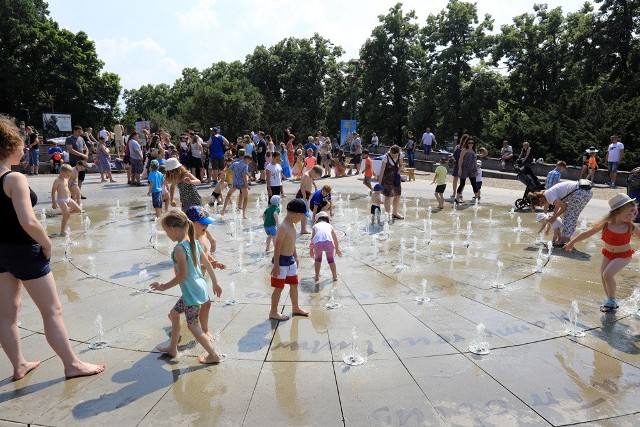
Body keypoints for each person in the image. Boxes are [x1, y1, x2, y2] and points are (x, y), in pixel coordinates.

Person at [0, 115, 105, 380]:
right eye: (22, 144)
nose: (25, 149)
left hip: (0, 251)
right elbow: (28, 220)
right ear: (9, 146)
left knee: (7, 314)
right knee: (52, 310)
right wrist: (45, 242)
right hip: (24, 250)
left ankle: (19, 365)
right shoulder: (14, 179)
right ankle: (72, 364)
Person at [149, 211, 222, 363]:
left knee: (193, 325)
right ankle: (173, 348)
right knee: (174, 314)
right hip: (198, 288)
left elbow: (182, 275)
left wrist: (163, 286)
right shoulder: (194, 242)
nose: (166, 235)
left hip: (191, 293)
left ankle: (213, 354)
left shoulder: (180, 249)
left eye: (165, 231)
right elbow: (208, 264)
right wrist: (215, 282)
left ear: (173, 228)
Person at [564, 194, 640, 312]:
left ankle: (612, 300)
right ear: (617, 212)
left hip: (623, 255)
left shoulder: (630, 226)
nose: (632, 216)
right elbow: (588, 233)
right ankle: (610, 301)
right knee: (604, 277)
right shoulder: (606, 224)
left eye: (634, 212)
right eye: (629, 213)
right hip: (608, 254)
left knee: (607, 275)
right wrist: (572, 242)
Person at [269, 198, 310, 320]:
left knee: (294, 284)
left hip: (290, 260)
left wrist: (296, 256)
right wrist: (276, 265)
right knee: (279, 287)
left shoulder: (292, 225)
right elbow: (277, 247)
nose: (303, 218)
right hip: (280, 261)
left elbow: (292, 243)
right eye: (303, 216)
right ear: (298, 214)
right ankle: (273, 312)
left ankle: (295, 307)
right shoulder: (283, 227)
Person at [529, 180, 593, 246]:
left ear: (540, 197)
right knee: (572, 215)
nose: (542, 205)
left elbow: (564, 207)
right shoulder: (548, 193)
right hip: (587, 192)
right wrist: (555, 216)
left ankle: (564, 240)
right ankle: (566, 239)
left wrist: (554, 217)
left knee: (569, 215)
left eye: (541, 203)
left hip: (579, 192)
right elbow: (559, 205)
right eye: (540, 205)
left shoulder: (549, 196)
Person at [310, 211, 342, 283]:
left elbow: (312, 239)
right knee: (331, 260)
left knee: (318, 260)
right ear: (327, 220)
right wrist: (337, 249)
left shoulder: (315, 226)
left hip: (318, 243)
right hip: (329, 243)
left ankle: (317, 276)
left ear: (317, 220)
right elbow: (335, 238)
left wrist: (311, 250)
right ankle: (334, 276)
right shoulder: (330, 226)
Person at [51, 164, 82, 235]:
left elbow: (67, 188)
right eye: (68, 175)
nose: (69, 176)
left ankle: (66, 214)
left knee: (79, 210)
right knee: (66, 214)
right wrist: (53, 202)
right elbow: (53, 192)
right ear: (62, 172)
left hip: (67, 198)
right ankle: (62, 231)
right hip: (61, 200)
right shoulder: (57, 180)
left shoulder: (66, 179)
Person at [378, 144, 403, 219]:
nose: (394, 156)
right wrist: (379, 183)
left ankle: (395, 213)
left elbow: (401, 165)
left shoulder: (400, 155)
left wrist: (398, 172)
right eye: (393, 155)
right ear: (390, 152)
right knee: (387, 196)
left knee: (397, 195)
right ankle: (387, 214)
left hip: (396, 178)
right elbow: (381, 171)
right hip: (387, 179)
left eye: (396, 155)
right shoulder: (385, 157)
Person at [297, 165, 323, 234]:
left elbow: (312, 181)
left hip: (306, 195)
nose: (315, 178)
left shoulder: (310, 175)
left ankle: (303, 228)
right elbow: (302, 187)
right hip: (303, 195)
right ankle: (303, 229)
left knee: (305, 212)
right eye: (316, 176)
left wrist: (315, 186)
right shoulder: (306, 176)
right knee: (304, 212)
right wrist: (304, 197)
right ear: (313, 171)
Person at [65, 125, 89, 199]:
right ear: (74, 131)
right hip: (74, 161)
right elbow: (70, 150)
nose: (80, 133)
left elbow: (86, 148)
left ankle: (78, 193)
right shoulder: (69, 139)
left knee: (81, 179)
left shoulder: (81, 139)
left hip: (82, 161)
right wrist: (82, 154)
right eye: (78, 131)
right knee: (73, 178)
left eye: (81, 132)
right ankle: (72, 194)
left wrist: (86, 155)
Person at [455, 137, 480, 203]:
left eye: (472, 143)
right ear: (467, 143)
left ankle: (477, 198)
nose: (470, 144)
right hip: (464, 168)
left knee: (474, 184)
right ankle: (457, 198)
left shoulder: (474, 151)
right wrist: (460, 169)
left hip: (472, 169)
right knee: (462, 184)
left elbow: (475, 161)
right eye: (469, 143)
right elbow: (460, 160)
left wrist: (476, 170)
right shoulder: (464, 150)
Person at [450, 135, 466, 199]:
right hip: (456, 165)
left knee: (462, 180)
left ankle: (460, 193)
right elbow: (453, 155)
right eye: (464, 140)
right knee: (455, 180)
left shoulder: (466, 148)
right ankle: (454, 192)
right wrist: (452, 160)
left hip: (463, 165)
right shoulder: (457, 147)